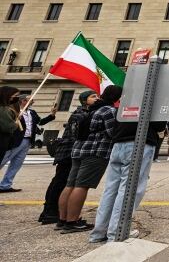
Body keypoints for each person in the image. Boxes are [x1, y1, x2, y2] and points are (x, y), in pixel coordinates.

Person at [89, 103, 166, 242]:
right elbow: (159, 124)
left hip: (119, 143)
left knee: (110, 189)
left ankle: (99, 231)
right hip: (140, 143)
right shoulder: (152, 95)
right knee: (131, 189)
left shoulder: (128, 95)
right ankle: (117, 232)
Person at [59, 85, 122, 233]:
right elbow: (112, 132)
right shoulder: (108, 111)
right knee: (82, 186)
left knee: (70, 184)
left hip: (79, 149)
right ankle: (72, 222)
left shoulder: (91, 109)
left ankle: (62, 219)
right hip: (95, 151)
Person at [38, 91, 97, 224]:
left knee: (62, 181)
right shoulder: (80, 114)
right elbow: (78, 134)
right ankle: (50, 212)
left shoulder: (84, 113)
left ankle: (50, 212)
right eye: (93, 96)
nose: (96, 98)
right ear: (84, 100)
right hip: (69, 152)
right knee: (61, 181)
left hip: (71, 151)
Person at [0, 95, 56, 192]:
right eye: (31, 99)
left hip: (28, 141)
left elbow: (40, 122)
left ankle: (5, 185)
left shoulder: (32, 112)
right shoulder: (13, 111)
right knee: (3, 160)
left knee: (17, 164)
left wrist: (51, 115)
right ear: (23, 101)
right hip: (16, 140)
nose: (33, 101)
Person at [0, 86, 21, 169]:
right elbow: (8, 127)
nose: (16, 98)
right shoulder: (4, 110)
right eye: (15, 96)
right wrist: (16, 123)